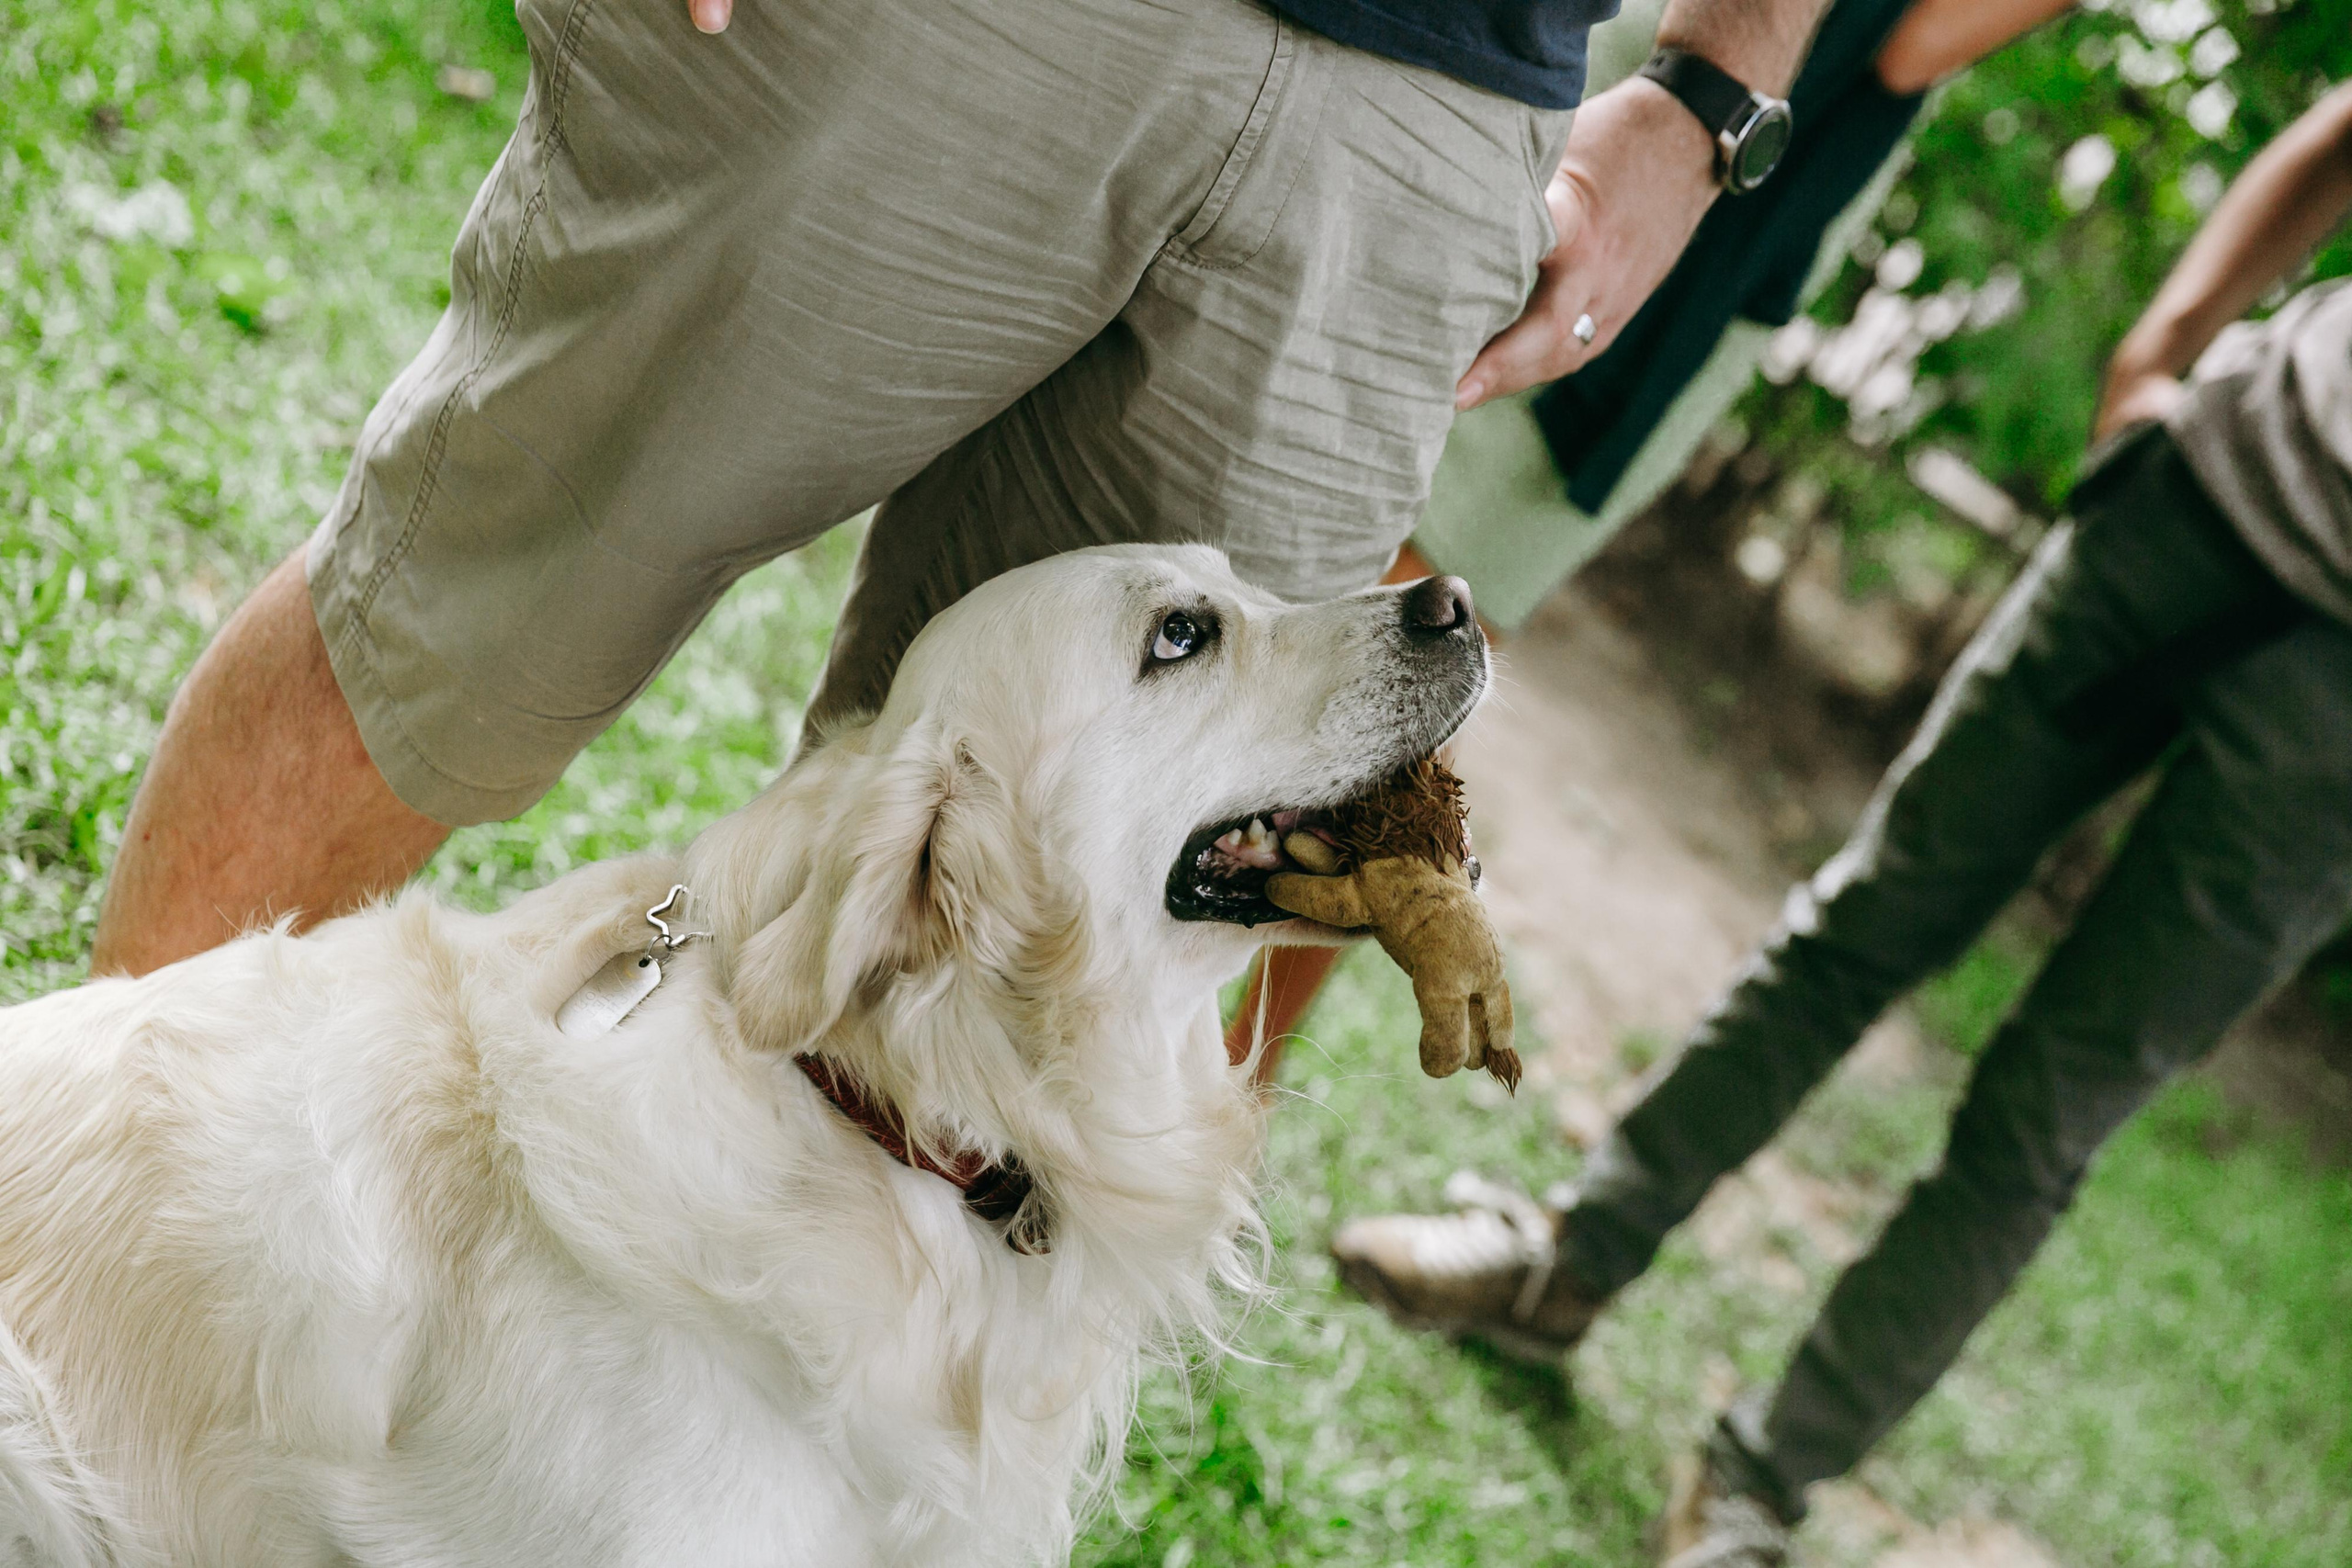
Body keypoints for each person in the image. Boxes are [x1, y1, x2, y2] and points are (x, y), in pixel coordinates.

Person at [91, 0, 1834, 977]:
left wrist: (1711, 87)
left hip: (1436, 104)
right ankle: (57, 1269)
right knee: (453, 643)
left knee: (1024, 947)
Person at [1328, 79, 2352, 1568]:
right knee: (1861, 922)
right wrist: (2159, 350)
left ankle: (1759, 1483)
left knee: (2046, 1115)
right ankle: (1570, 1261)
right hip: (2203, 493)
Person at [1225, 0, 2076, 1073]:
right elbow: (1912, 42)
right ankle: (1205, 1042)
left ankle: (1242, 1070)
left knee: (1416, 639)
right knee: (1342, 565)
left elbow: (1903, 47)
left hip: (1720, 171)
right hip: (1639, 82)